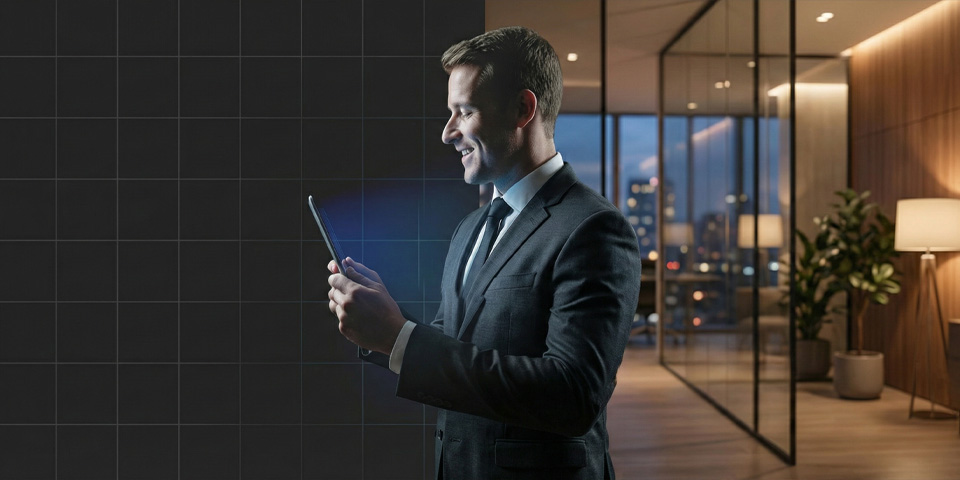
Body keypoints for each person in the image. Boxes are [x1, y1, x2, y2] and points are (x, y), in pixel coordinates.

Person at [327, 26, 641, 479]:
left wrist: (399, 339)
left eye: (464, 111)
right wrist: (386, 324)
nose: (447, 133)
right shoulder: (471, 228)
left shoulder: (594, 229)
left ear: (523, 109)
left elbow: (573, 396)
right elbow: (456, 343)